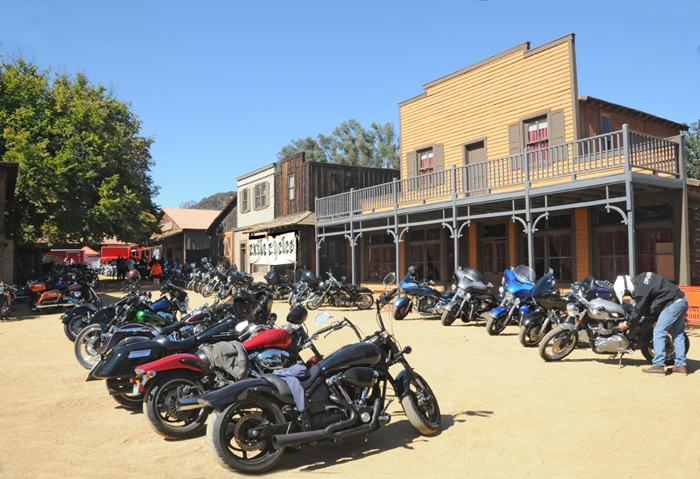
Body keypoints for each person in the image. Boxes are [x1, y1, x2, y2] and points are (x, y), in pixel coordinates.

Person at [615, 272, 688, 376]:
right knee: (678, 334)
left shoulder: (641, 289)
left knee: (659, 332)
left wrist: (627, 323)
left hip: (673, 304)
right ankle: (680, 366)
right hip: (682, 300)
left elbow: (639, 309)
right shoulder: (643, 277)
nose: (630, 295)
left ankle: (658, 366)